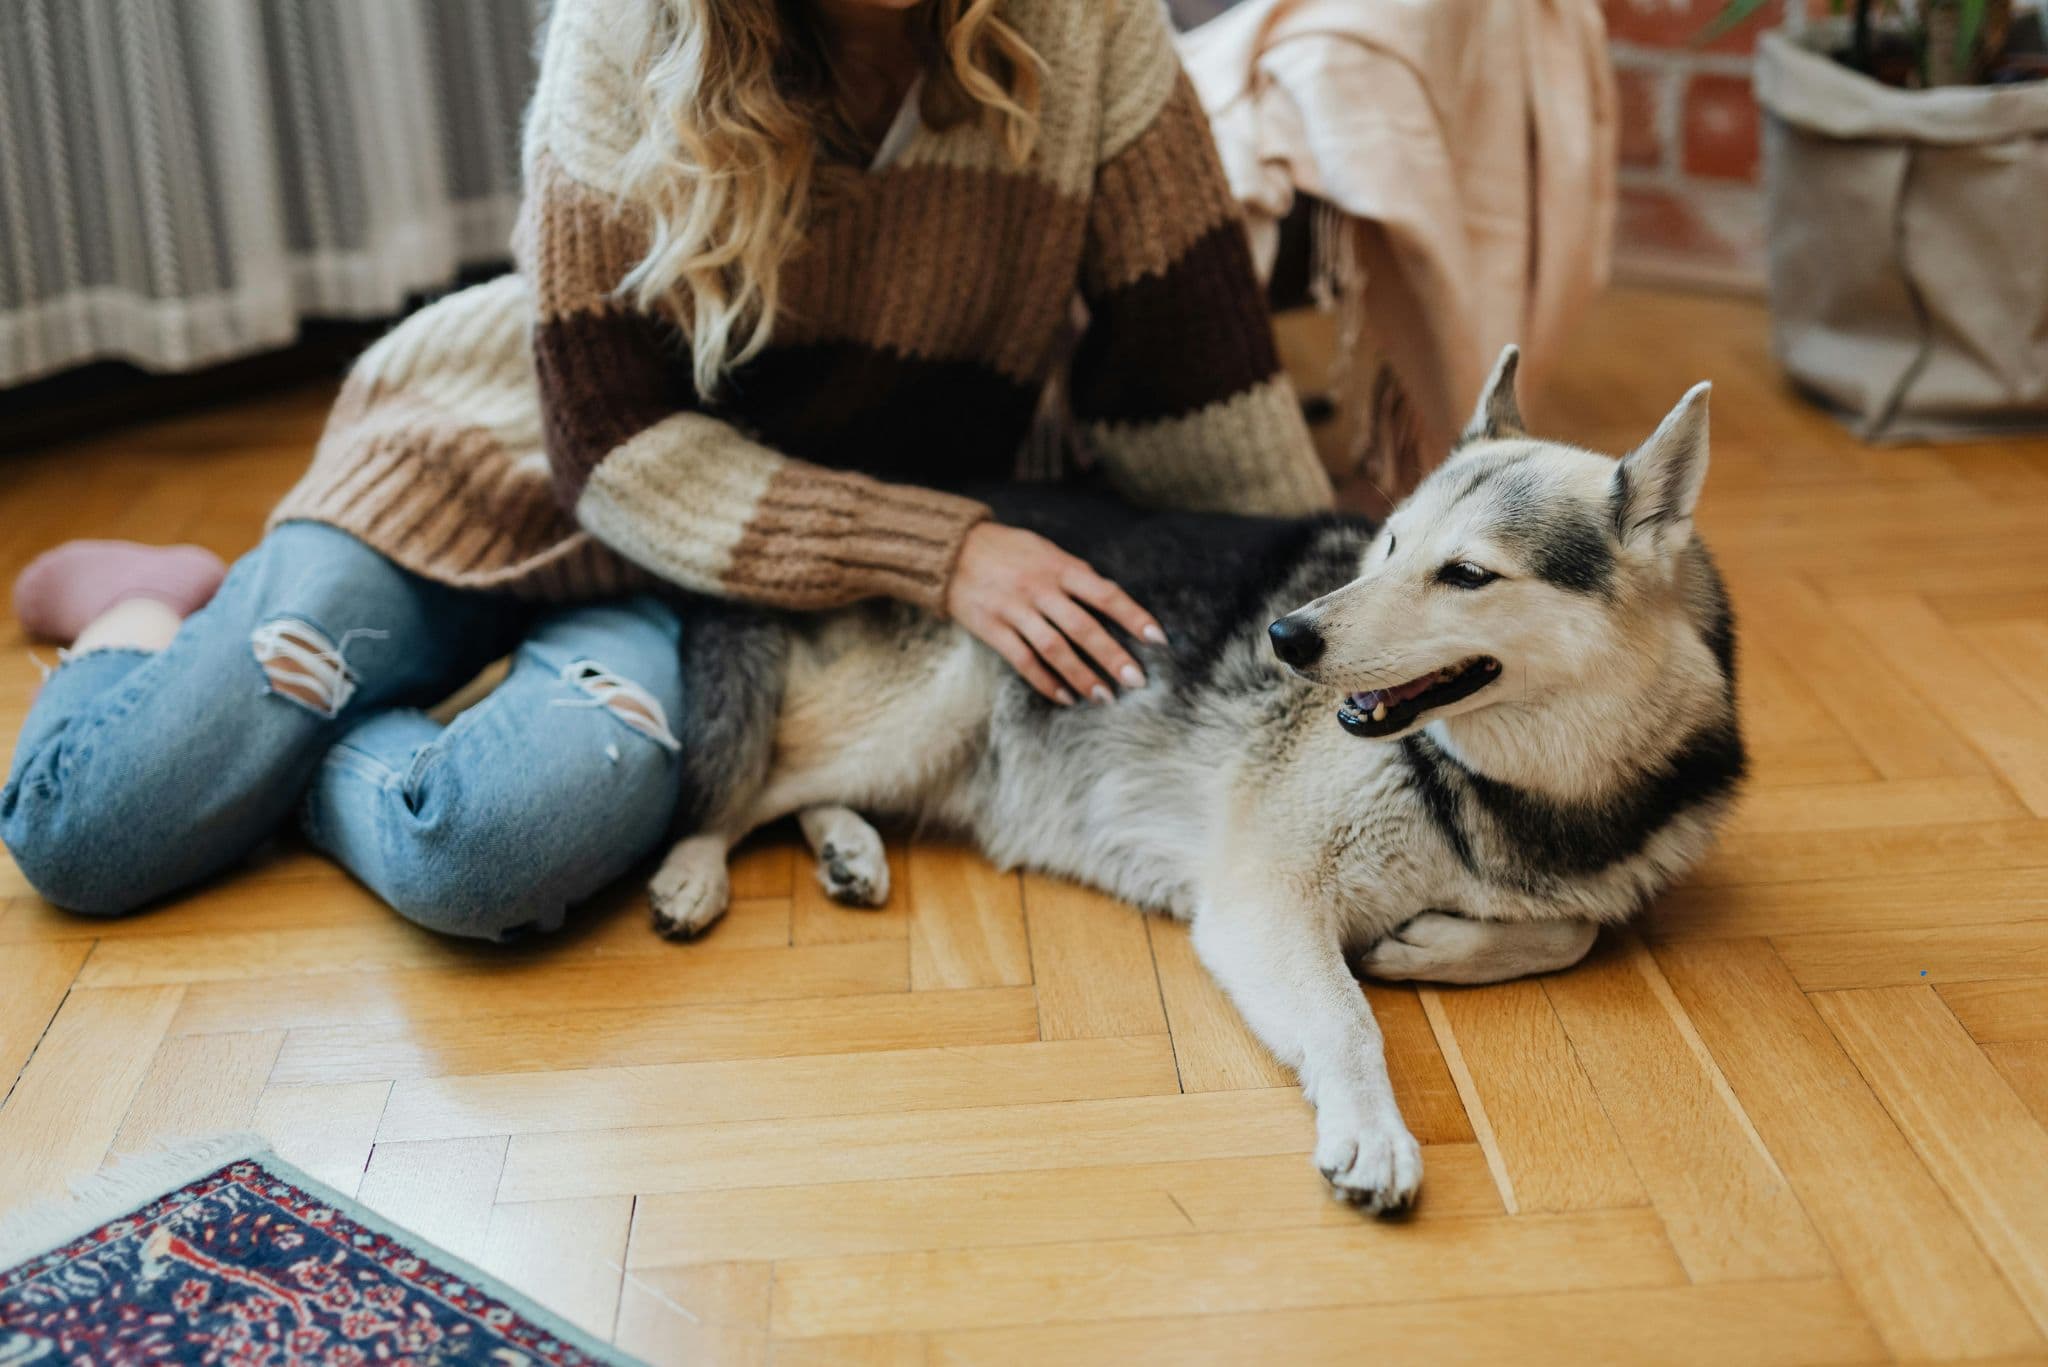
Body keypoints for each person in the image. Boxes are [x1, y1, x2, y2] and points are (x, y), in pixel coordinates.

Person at [3, 0, 1332, 939]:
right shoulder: (625, 26)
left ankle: (288, 732)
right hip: (492, 467)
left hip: (726, 573)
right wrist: (945, 549)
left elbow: (1195, 386)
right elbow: (610, 450)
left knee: (485, 856)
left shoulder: (1089, 29)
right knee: (93, 832)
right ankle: (147, 604)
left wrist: (1332, 632)